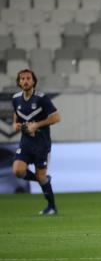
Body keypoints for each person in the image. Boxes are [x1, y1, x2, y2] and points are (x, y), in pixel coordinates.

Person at [11, 69, 61, 215]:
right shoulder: (16, 99)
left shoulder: (41, 98)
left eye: (28, 78)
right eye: (22, 79)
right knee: (17, 171)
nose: (25, 81)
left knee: (41, 177)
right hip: (26, 144)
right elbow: (16, 112)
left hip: (42, 144)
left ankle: (52, 207)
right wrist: (15, 124)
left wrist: (37, 125)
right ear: (19, 82)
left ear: (33, 82)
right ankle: (43, 179)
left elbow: (57, 117)